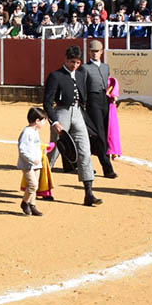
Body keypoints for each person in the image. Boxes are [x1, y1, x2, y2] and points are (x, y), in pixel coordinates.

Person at [43, 45, 103, 207]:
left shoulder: (81, 74)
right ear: (65, 59)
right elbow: (47, 103)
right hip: (61, 113)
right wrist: (54, 121)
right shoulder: (56, 76)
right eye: (72, 62)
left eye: (77, 62)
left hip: (77, 113)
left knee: (84, 150)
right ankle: (41, 187)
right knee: (53, 153)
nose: (74, 65)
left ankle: (88, 193)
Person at [83, 40, 118, 179]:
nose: (94, 53)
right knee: (100, 136)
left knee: (103, 133)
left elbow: (109, 85)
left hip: (104, 100)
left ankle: (83, 165)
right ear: (89, 52)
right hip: (92, 101)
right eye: (92, 51)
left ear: (101, 52)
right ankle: (107, 168)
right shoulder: (85, 68)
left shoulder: (105, 67)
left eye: (97, 51)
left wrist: (112, 96)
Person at [16, 107, 46, 216]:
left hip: (36, 164)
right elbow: (22, 149)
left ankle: (32, 205)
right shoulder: (27, 132)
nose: (44, 123)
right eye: (43, 121)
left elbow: (35, 146)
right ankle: (25, 202)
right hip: (28, 164)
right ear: (37, 121)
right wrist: (32, 159)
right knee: (33, 185)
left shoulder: (35, 131)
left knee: (34, 185)